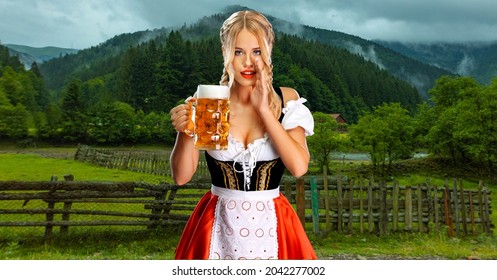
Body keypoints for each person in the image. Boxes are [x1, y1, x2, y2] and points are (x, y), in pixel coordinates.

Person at [169, 9, 317, 260]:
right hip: (216, 223)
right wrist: (185, 132)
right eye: (238, 51)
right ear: (224, 53)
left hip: (273, 223)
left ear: (269, 51)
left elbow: (299, 166)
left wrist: (265, 111)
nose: (248, 62)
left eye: (257, 51)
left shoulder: (287, 100)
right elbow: (182, 177)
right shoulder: (209, 102)